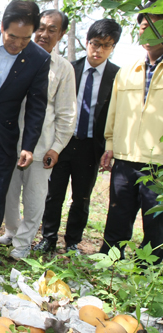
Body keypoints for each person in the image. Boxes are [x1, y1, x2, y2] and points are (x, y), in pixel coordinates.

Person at [0, 0, 51, 261]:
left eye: (25, 39)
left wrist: (28, 145)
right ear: (2, 27)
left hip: (4, 134)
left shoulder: (39, 58)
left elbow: (37, 106)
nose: (16, 44)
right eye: (12, 37)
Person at [35, 19, 121, 255]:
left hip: (91, 146)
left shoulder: (117, 76)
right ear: (86, 42)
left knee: (81, 197)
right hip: (62, 142)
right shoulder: (69, 68)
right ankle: (48, 238)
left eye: (106, 45)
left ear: (113, 47)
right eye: (95, 43)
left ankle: (72, 241)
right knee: (54, 194)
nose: (98, 50)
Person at [0, 10, 77, 260]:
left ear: (62, 34)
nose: (44, 34)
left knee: (34, 196)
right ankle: (12, 231)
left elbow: (66, 112)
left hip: (42, 145)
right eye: (40, 28)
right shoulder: (16, 56)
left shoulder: (63, 68)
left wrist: (56, 147)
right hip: (9, 138)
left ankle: (23, 243)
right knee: (7, 191)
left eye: (51, 29)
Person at [99, 6, 163, 264]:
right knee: (116, 219)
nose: (144, 28)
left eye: (152, 23)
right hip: (125, 160)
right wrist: (110, 144)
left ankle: (150, 274)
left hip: (157, 164)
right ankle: (109, 266)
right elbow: (114, 111)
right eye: (142, 24)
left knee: (156, 226)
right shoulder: (127, 70)